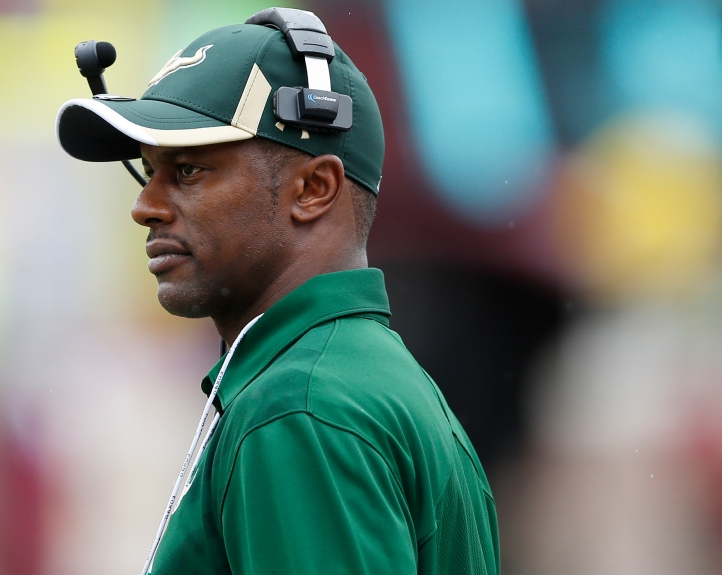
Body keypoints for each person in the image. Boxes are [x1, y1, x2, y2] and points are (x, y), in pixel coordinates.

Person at [56, 8, 499, 575]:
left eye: (188, 170)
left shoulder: (298, 406)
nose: (146, 206)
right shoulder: (361, 378)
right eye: (148, 172)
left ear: (314, 189)